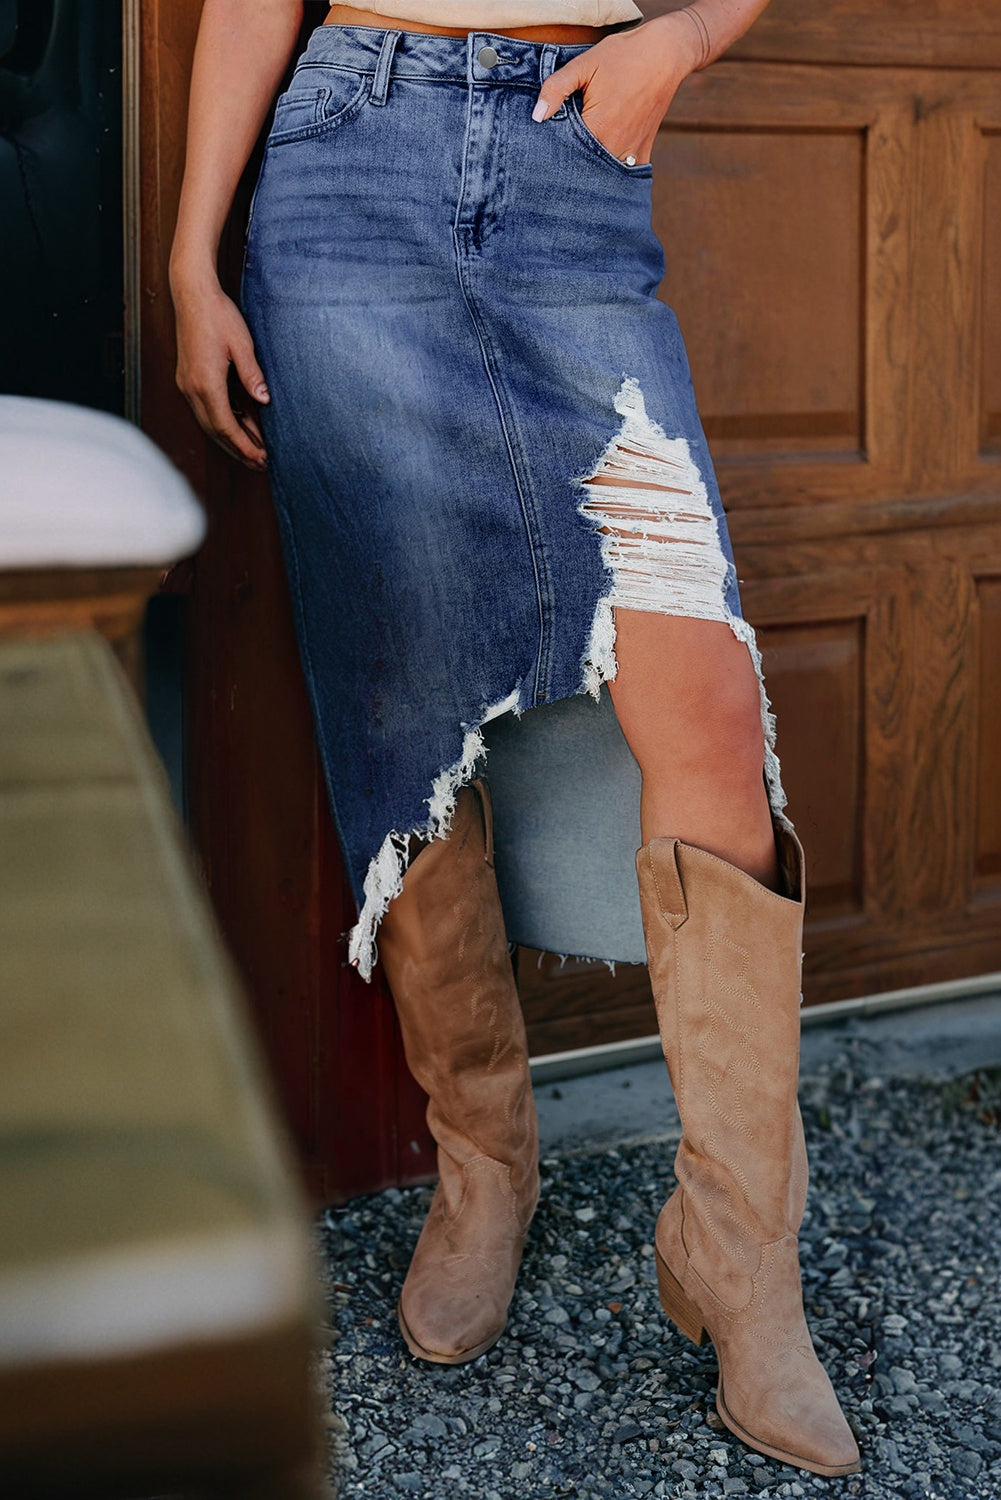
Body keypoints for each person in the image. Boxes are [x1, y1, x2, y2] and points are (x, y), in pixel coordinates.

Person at [170, 0, 861, 1477]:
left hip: (570, 170)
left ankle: (742, 1256)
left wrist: (685, 39)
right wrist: (189, 260)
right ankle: (483, 1162)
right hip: (346, 166)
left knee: (700, 696)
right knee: (403, 698)